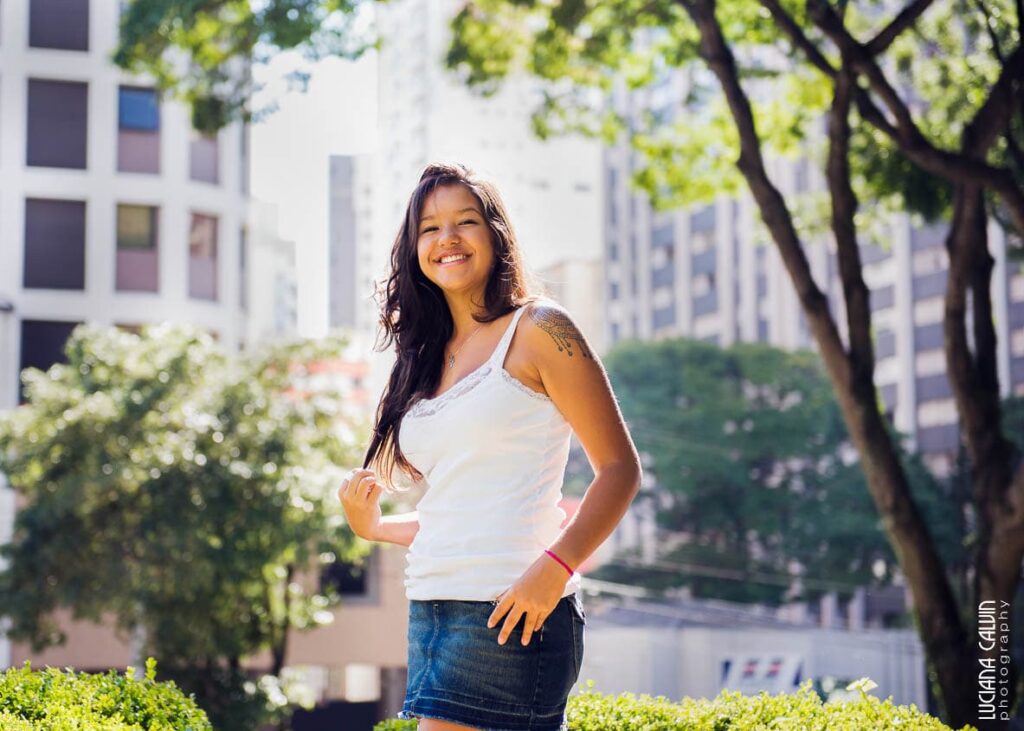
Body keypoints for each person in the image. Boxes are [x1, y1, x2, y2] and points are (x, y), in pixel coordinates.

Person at [338, 162, 642, 731]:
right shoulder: (426, 358)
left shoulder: (541, 329)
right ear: (413, 247)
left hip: (508, 609)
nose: (446, 239)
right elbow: (463, 511)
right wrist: (376, 528)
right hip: (433, 611)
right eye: (428, 228)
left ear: (495, 234)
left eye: (465, 222)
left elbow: (620, 470)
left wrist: (553, 569)